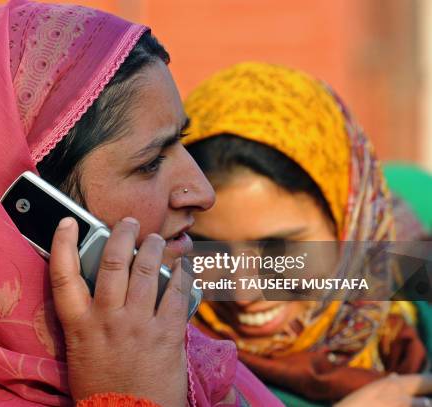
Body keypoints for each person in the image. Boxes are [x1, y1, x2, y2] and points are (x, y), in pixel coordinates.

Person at [0, 3, 282, 406]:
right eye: (149, 163)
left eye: (182, 143)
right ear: (23, 212)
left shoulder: (194, 365)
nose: (202, 192)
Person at [182, 62, 432, 406]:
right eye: (209, 250)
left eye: (278, 248)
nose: (243, 292)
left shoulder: (413, 303)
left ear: (349, 223)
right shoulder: (175, 373)